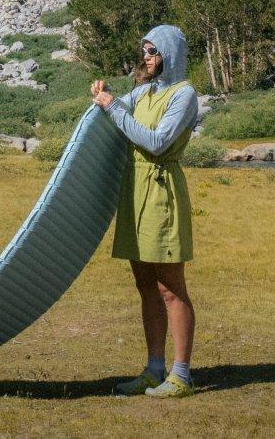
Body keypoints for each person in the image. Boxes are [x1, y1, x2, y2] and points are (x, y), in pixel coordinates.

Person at [90, 24, 198, 398]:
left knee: (170, 287)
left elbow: (156, 141)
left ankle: (181, 375)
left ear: (169, 53)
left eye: (153, 51)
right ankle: (154, 369)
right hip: (135, 192)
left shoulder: (184, 95)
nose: (147, 58)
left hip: (162, 191)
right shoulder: (146, 91)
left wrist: (113, 109)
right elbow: (119, 108)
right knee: (145, 286)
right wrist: (105, 96)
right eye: (145, 52)